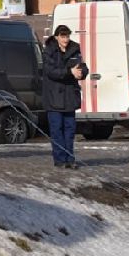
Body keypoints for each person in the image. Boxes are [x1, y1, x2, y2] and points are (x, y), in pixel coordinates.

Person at [42, 25, 87, 168]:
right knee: (57, 130)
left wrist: (82, 73)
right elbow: (51, 71)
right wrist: (70, 72)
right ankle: (60, 160)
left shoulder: (75, 49)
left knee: (70, 129)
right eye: (62, 36)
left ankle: (70, 159)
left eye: (67, 36)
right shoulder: (49, 50)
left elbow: (82, 66)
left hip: (70, 97)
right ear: (56, 37)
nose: (65, 39)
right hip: (54, 98)